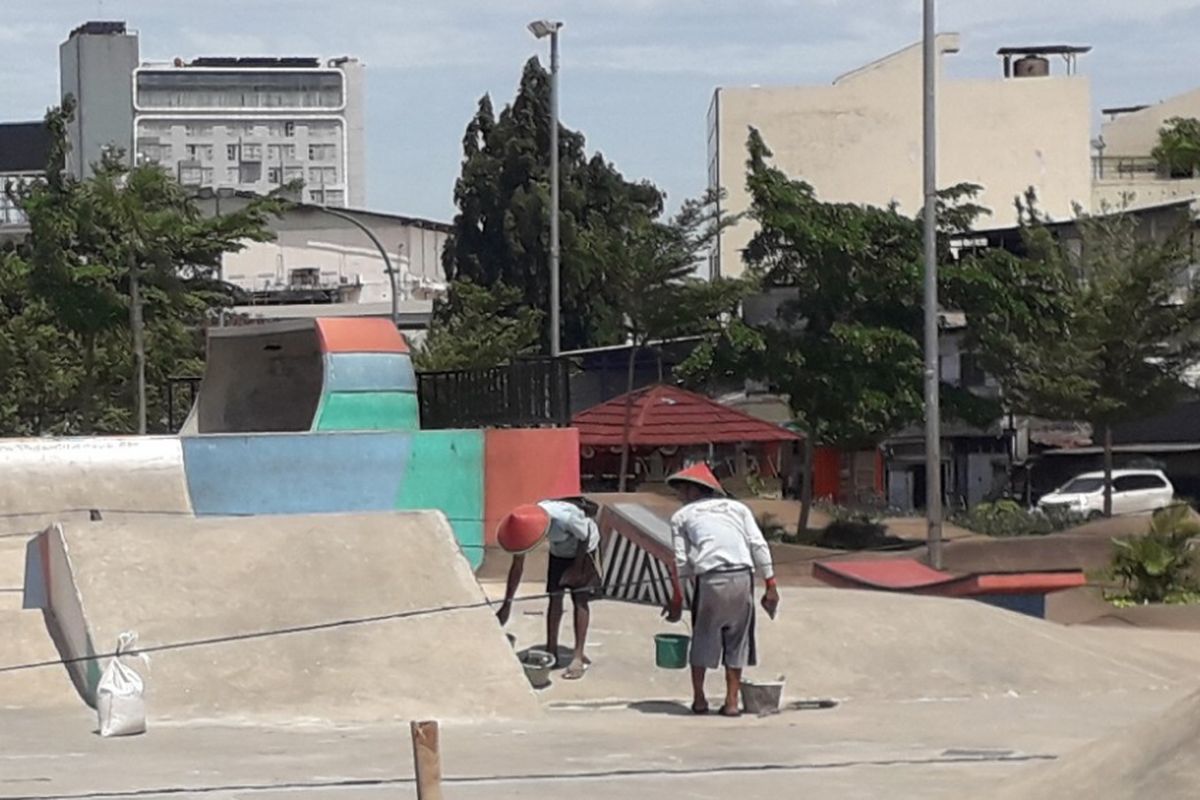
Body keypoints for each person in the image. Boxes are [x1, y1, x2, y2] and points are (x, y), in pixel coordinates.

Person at [666, 462, 779, 716]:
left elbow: (681, 561)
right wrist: (770, 584)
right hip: (742, 578)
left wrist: (677, 596)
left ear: (694, 491)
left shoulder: (681, 517)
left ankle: (699, 699)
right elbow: (758, 544)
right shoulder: (738, 508)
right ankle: (731, 702)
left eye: (682, 491)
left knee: (703, 637)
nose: (680, 497)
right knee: (737, 640)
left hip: (710, 580)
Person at [495, 497, 602, 680]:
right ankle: (551, 649)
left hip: (583, 550)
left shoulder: (564, 518)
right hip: (559, 552)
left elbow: (584, 537)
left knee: (580, 600)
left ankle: (577, 656)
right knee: (555, 597)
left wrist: (577, 570)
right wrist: (507, 605)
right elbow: (517, 567)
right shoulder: (525, 526)